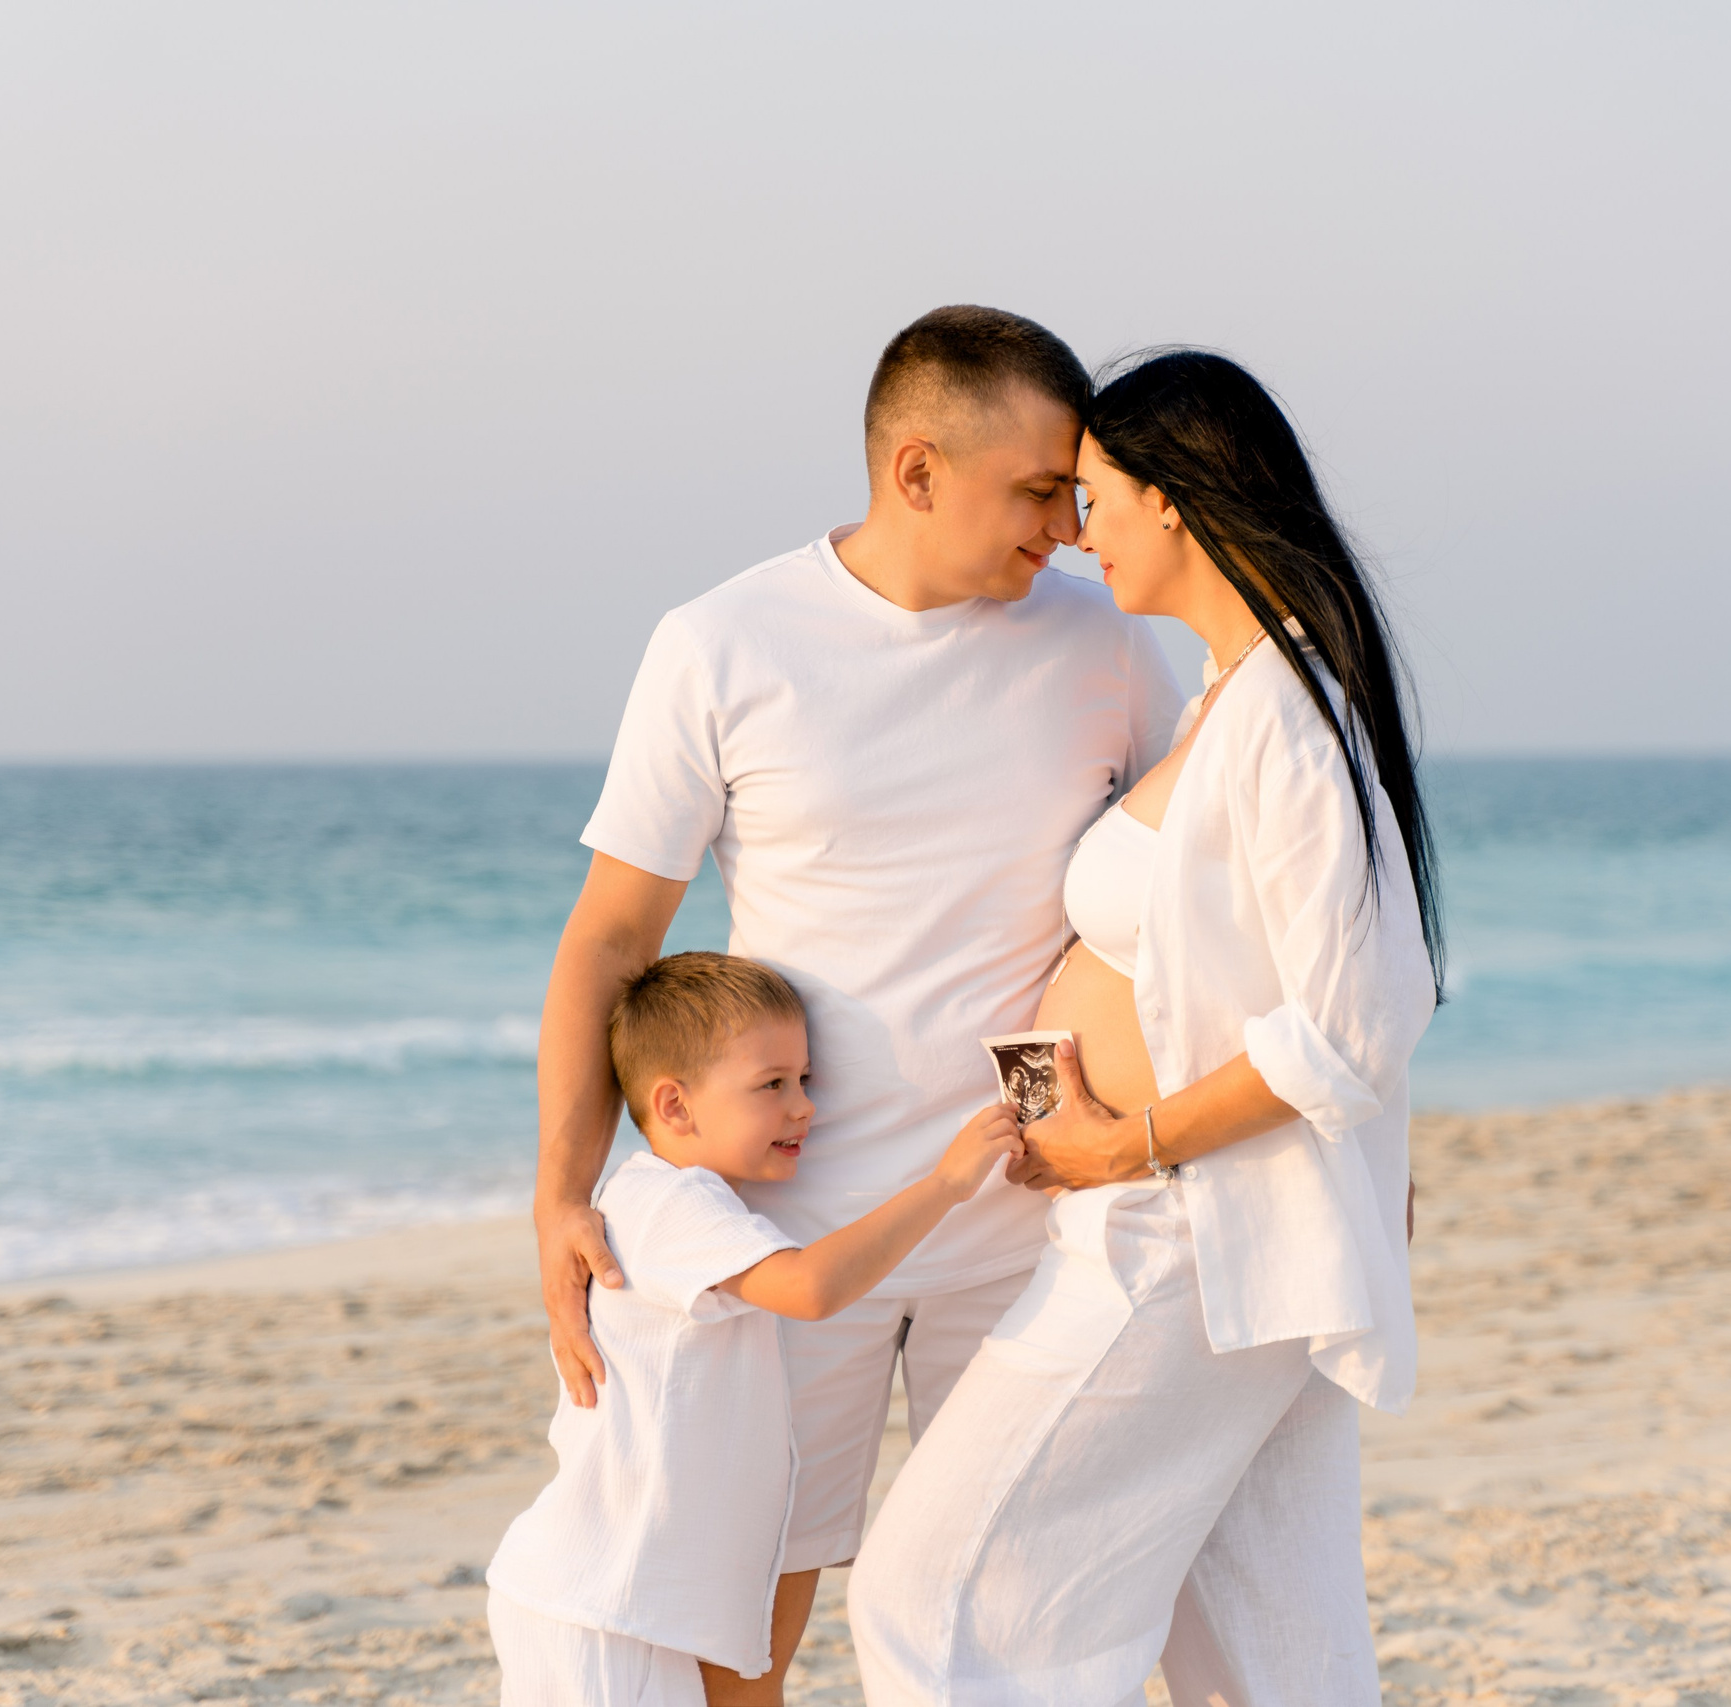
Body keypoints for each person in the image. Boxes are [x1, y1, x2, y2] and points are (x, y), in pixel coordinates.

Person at [532, 306, 1185, 1699]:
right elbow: (609, 939)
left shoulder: (1112, 645)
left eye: (1079, 493)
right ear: (917, 469)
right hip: (791, 1226)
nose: (1068, 525)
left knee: (1019, 1608)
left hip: (1027, 1203)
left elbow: (1202, 903)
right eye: (1034, 491)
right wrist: (560, 1193)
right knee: (747, 1619)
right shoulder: (723, 642)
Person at [849, 349, 1448, 1706]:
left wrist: (1130, 1144)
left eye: (1097, 496)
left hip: (1184, 1236)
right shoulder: (1235, 700)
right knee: (1257, 1642)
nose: (1076, 531)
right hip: (1196, 1234)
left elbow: (1355, 1025)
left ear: (1175, 501)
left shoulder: (1288, 718)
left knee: (930, 1598)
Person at [486, 951, 1023, 1706]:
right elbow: (809, 1287)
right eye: (772, 1085)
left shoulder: (693, 1204)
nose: (803, 1106)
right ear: (674, 1105)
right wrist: (947, 1182)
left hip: (630, 1603)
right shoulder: (671, 1206)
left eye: (804, 1080)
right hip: (601, 1605)